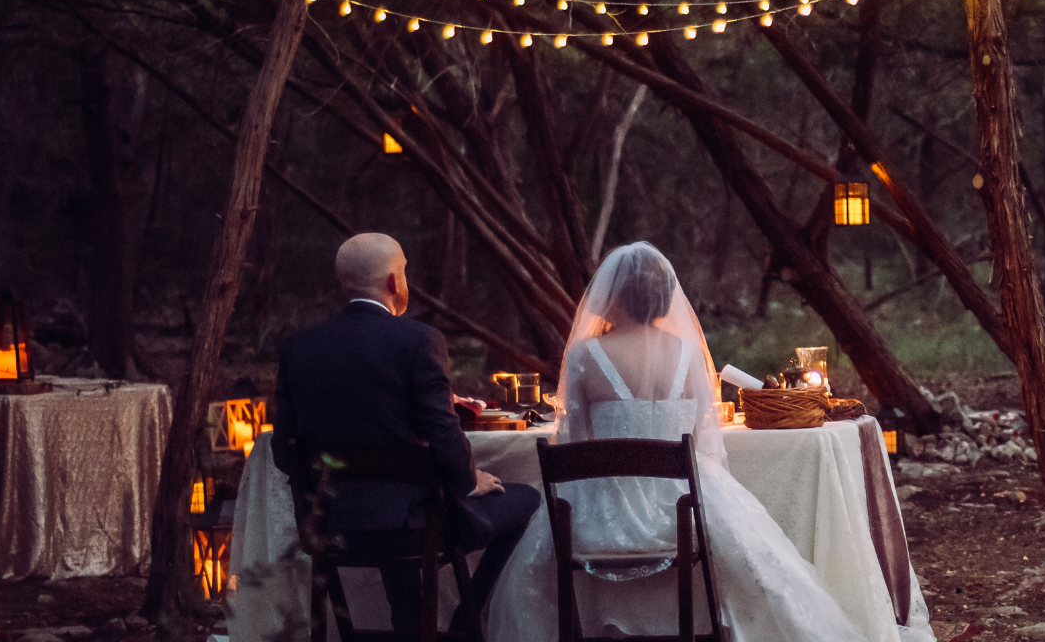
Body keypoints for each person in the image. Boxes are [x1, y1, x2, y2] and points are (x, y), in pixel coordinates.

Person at [485, 242, 903, 641]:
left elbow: (573, 440)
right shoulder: (687, 352)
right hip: (680, 511)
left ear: (613, 295)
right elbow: (705, 440)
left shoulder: (583, 355)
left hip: (601, 515)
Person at [271, 233, 541, 634]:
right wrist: (469, 480)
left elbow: (282, 451)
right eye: (404, 274)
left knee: (402, 498)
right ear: (395, 283)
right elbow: (443, 432)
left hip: (328, 528)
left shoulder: (299, 346)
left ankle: (411, 629)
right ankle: (463, 627)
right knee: (524, 498)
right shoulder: (417, 341)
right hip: (412, 530)